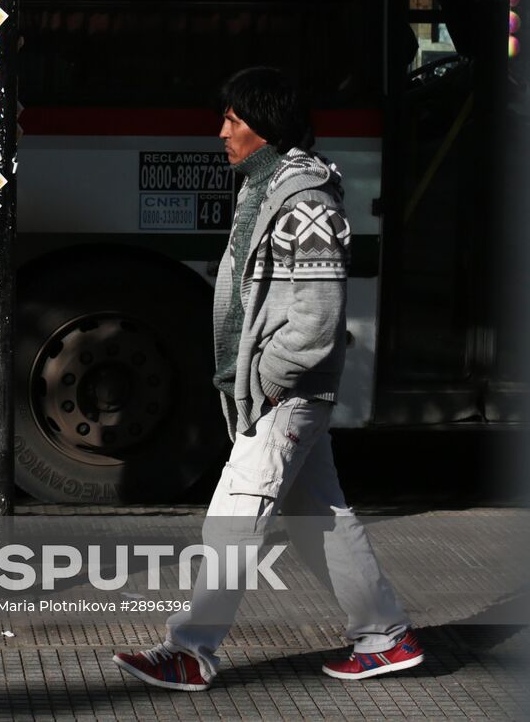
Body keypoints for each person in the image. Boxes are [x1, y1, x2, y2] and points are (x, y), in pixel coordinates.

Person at [113, 67, 423, 692]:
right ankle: (385, 636)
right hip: (281, 391)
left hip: (285, 394)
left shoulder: (303, 203)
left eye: (233, 118)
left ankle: (189, 650)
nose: (221, 130)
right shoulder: (267, 188)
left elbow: (314, 321)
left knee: (232, 519)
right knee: (321, 522)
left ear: (266, 127)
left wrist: (267, 379)